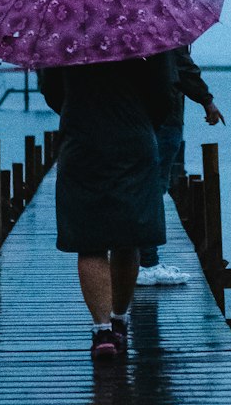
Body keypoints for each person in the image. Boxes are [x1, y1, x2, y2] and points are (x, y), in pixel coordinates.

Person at [39, 53, 176, 362]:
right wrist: (140, 118)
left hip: (81, 138)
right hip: (133, 136)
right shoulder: (144, 28)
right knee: (129, 234)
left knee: (89, 240)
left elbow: (50, 89)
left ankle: (102, 332)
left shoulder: (63, 30)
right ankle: (118, 320)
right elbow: (163, 92)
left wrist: (78, 109)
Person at [137, 44, 226, 286]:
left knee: (136, 187)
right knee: (154, 189)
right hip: (163, 119)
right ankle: (147, 262)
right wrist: (207, 101)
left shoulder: (127, 33)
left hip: (132, 119)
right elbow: (184, 70)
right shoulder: (164, 30)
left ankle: (132, 256)